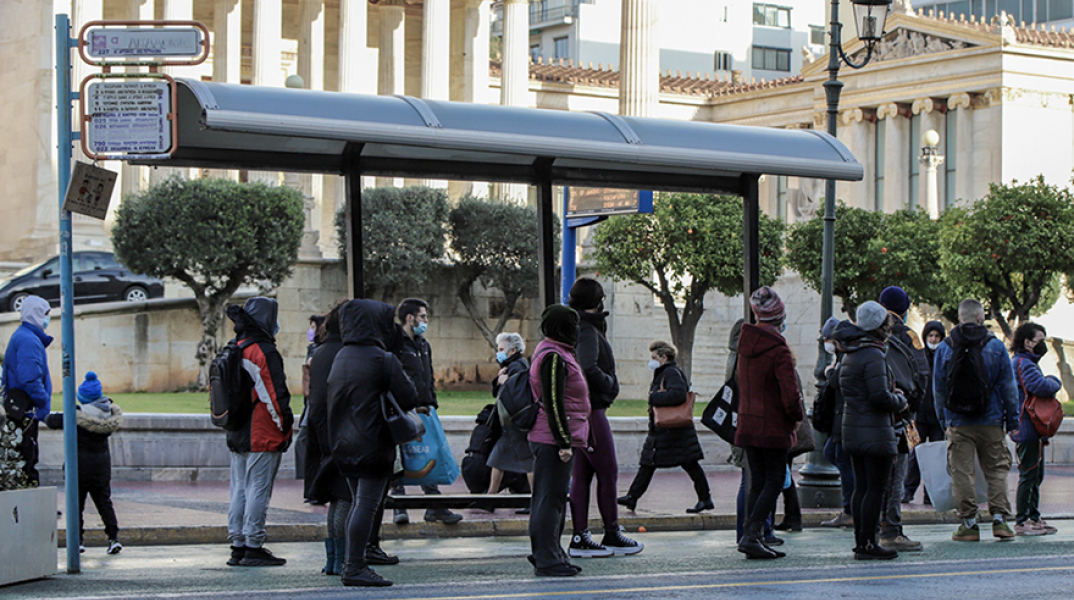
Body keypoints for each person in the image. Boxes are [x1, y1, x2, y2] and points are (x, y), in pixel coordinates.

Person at [327, 299, 420, 587]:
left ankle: (349, 562)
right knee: (366, 505)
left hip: (343, 441)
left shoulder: (341, 355)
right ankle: (354, 566)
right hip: (372, 442)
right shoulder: (382, 358)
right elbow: (410, 397)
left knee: (357, 503)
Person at [566, 278, 642, 558]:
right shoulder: (587, 329)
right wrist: (609, 383)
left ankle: (581, 535)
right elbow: (587, 366)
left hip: (583, 410)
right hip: (591, 410)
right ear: (598, 302)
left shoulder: (579, 326)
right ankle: (610, 532)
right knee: (607, 472)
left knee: (583, 475)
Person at [933, 299, 1019, 542]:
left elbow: (938, 389)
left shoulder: (945, 347)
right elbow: (1008, 388)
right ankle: (1000, 520)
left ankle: (969, 523)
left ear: (959, 319)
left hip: (958, 421)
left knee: (962, 472)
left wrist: (944, 420)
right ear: (981, 318)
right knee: (997, 470)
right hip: (991, 420)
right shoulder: (996, 346)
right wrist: (1012, 421)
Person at [224, 297, 294, 567]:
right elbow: (274, 396)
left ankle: (238, 544)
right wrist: (285, 427)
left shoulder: (235, 346)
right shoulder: (261, 350)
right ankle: (254, 544)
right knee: (258, 490)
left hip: (237, 430)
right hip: (261, 432)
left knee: (239, 488)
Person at [734, 287, 803, 560]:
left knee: (757, 481)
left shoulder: (745, 345)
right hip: (773, 426)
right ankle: (752, 534)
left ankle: (753, 535)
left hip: (749, 422)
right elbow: (790, 394)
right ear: (779, 317)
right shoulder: (778, 350)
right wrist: (796, 416)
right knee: (774, 480)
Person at [838, 301, 907, 560]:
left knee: (862, 488)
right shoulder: (874, 354)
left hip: (853, 429)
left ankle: (861, 541)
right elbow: (879, 397)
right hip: (875, 431)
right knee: (875, 489)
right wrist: (900, 399)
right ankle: (868, 543)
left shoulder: (851, 351)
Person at [527, 304, 590, 576]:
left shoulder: (556, 351)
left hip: (554, 438)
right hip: (553, 440)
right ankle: (547, 558)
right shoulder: (554, 356)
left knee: (551, 499)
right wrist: (564, 441)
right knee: (549, 500)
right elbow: (554, 402)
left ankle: (552, 553)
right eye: (573, 325)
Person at [390, 298, 463, 525]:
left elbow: (427, 376)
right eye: (422, 316)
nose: (426, 321)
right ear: (409, 318)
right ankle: (398, 506)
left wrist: (431, 403)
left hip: (424, 409)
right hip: (402, 409)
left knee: (428, 455)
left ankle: (434, 505)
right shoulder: (395, 343)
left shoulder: (423, 345)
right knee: (401, 458)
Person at [618, 340, 710, 513]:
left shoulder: (671, 373)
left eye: (654, 357)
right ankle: (632, 497)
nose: (651, 361)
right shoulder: (665, 372)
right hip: (667, 430)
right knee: (649, 463)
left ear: (663, 357)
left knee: (688, 464)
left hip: (672, 430)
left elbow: (678, 394)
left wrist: (653, 397)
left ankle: (705, 499)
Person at [44, 371, 123, 555]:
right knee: (104, 502)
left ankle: (78, 541)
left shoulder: (77, 414)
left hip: (78, 466)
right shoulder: (109, 413)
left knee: (76, 504)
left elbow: (50, 420)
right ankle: (113, 538)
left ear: (83, 397)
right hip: (102, 466)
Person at [875, 286, 926, 552]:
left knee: (872, 478)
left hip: (870, 419)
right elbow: (922, 375)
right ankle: (891, 531)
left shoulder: (869, 331)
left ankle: (870, 531)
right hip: (900, 415)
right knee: (896, 476)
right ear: (905, 309)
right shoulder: (908, 335)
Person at [1010, 321, 1062, 536]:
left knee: (1035, 474)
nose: (1043, 344)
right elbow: (1039, 386)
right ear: (1028, 342)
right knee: (1029, 474)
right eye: (1040, 340)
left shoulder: (1024, 362)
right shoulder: (1025, 363)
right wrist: (1054, 380)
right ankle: (1022, 520)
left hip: (1031, 426)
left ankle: (1034, 516)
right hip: (1028, 426)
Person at [2, 295, 53, 486]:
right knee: (28, 458)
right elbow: (30, 378)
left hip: (22, 408)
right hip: (27, 410)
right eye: (46, 314)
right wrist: (42, 401)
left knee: (26, 457)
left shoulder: (25, 336)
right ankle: (31, 505)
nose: (48, 319)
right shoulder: (29, 340)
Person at [487, 332, 534, 508]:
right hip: (511, 422)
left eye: (501, 349)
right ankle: (490, 497)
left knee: (527, 461)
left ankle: (535, 500)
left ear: (512, 350)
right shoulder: (513, 366)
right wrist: (499, 380)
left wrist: (503, 382)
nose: (498, 353)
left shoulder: (517, 367)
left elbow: (516, 393)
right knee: (497, 458)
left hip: (515, 422)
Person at [903, 321, 947, 505]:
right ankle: (908, 491)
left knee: (936, 458)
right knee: (915, 455)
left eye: (937, 336)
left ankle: (932, 494)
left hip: (938, 418)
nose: (933, 340)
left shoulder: (945, 357)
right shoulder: (919, 357)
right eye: (930, 336)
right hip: (919, 417)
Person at [819, 317, 855, 528]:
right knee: (832, 453)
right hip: (839, 420)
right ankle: (850, 507)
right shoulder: (843, 356)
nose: (826, 343)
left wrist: (830, 373)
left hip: (844, 421)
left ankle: (849, 509)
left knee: (841, 459)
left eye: (828, 339)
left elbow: (841, 382)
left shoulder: (846, 357)